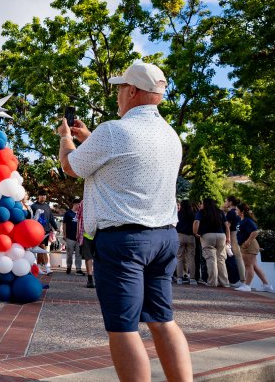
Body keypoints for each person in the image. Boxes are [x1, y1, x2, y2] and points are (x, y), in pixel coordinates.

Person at [57, 62, 191, 381]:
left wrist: (66, 137)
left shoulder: (114, 132)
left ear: (132, 91)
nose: (118, 94)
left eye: (120, 88)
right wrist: (90, 136)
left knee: (123, 326)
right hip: (163, 237)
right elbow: (126, 160)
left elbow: (71, 166)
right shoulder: (170, 136)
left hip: (124, 242)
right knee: (162, 319)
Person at [233, 203, 273, 292]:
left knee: (248, 266)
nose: (235, 211)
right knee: (253, 266)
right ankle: (266, 285)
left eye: (237, 209)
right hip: (245, 245)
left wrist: (248, 241)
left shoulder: (247, 220)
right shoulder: (242, 220)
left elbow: (255, 231)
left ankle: (247, 286)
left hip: (249, 246)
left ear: (242, 211)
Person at [194, 198, 229, 288]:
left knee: (211, 259)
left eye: (202, 203)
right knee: (221, 259)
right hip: (221, 235)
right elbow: (226, 226)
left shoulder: (202, 212)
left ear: (205, 204)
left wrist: (195, 232)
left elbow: (196, 222)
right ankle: (225, 282)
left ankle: (212, 282)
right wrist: (228, 238)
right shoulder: (220, 212)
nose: (201, 205)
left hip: (207, 236)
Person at [73, 199, 96, 288]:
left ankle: (95, 278)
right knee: (88, 257)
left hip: (98, 233)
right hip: (86, 234)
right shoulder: (83, 202)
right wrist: (78, 233)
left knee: (96, 258)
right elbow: (79, 218)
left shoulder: (101, 198)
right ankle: (90, 279)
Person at [224, 196, 246, 288]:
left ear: (230, 202)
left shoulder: (230, 213)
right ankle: (243, 279)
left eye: (226, 201)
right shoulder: (238, 212)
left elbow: (227, 226)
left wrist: (226, 237)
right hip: (239, 234)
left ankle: (240, 280)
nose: (225, 203)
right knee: (239, 257)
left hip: (232, 234)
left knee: (235, 257)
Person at [175, 200, 197, 285]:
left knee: (179, 257)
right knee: (191, 258)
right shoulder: (192, 215)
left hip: (180, 235)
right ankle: (192, 278)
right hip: (191, 237)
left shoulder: (178, 214)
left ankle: (179, 278)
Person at [62, 202, 83, 275]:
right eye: (78, 204)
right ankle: (68, 267)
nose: (79, 206)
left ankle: (78, 269)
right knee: (69, 253)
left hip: (79, 237)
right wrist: (64, 234)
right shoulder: (68, 213)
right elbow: (64, 224)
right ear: (74, 204)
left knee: (78, 254)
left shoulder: (81, 214)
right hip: (70, 237)